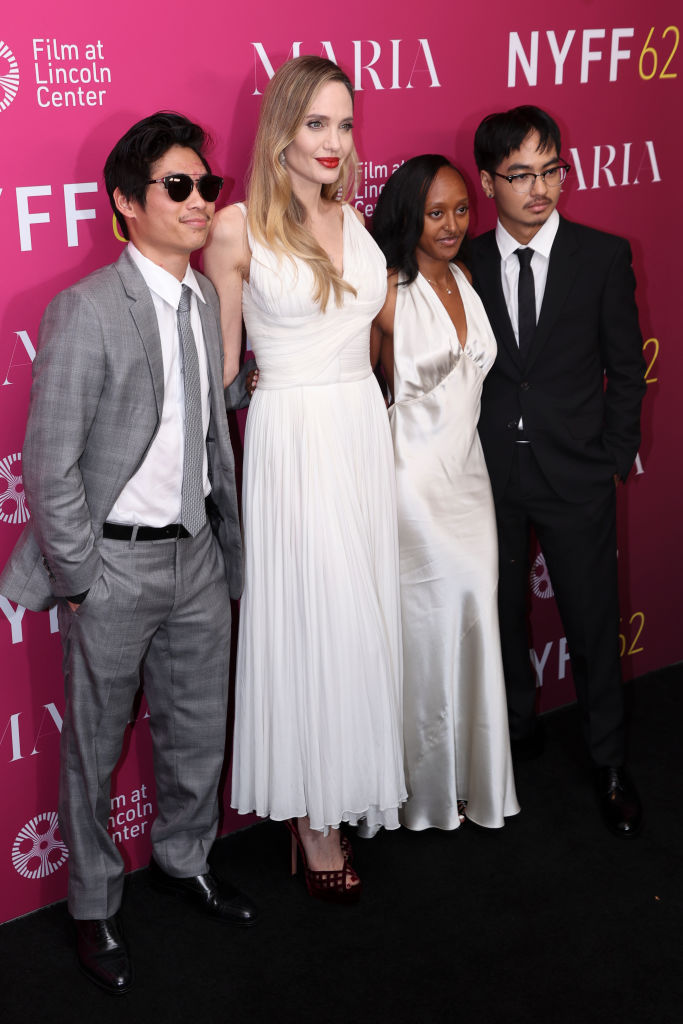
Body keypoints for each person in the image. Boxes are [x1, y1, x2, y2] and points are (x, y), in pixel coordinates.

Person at [0, 112, 258, 995]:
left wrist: (224, 546)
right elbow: (49, 463)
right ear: (125, 202)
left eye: (206, 187)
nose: (197, 203)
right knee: (94, 751)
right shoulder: (86, 310)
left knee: (196, 734)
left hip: (197, 559)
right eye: (176, 187)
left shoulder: (202, 302)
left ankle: (185, 862)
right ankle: (93, 907)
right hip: (112, 569)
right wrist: (82, 578)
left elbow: (212, 429)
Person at [203, 55, 406, 902]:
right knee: (314, 615)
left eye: (346, 124)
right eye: (316, 123)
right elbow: (219, 375)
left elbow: (384, 332)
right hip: (294, 439)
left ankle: (341, 784)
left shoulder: (351, 221)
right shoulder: (235, 227)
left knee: (357, 617)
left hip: (360, 433)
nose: (333, 142)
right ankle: (311, 818)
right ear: (281, 128)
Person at [470, 105, 646, 837]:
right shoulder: (464, 262)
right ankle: (516, 732)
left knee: (591, 618)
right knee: (500, 617)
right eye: (519, 174)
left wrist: (609, 454)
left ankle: (607, 759)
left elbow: (625, 369)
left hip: (574, 474)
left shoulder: (601, 255)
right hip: (485, 478)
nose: (539, 188)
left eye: (551, 170)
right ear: (487, 181)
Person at [371, 155, 519, 831]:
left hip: (469, 479)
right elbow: (340, 379)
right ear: (408, 215)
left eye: (461, 209)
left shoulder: (465, 276)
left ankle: (472, 780)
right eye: (436, 212)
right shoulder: (382, 290)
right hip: (409, 486)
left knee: (475, 622)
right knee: (426, 636)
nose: (453, 224)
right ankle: (420, 793)